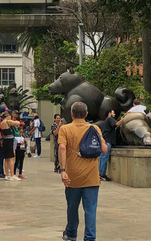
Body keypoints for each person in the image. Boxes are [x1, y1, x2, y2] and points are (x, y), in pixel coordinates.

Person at [58, 102, 107, 241]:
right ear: (86, 114)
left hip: (72, 176)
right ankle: (90, 237)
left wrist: (62, 170)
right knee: (90, 209)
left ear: (72, 114)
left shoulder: (65, 129)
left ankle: (71, 233)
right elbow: (104, 149)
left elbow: (62, 148)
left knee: (72, 207)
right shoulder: (94, 128)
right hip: (92, 176)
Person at [98, 110, 122, 181]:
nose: (114, 114)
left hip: (105, 141)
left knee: (103, 158)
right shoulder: (109, 119)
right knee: (104, 158)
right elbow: (117, 124)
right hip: (107, 142)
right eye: (113, 112)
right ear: (109, 113)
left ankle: (101, 173)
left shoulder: (105, 121)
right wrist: (125, 118)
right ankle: (102, 174)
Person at [0, 111, 21, 180]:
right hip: (10, 140)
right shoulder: (8, 122)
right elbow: (18, 123)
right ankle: (12, 174)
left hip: (4, 140)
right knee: (11, 158)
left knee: (6, 158)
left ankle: (7, 174)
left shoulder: (1, 123)